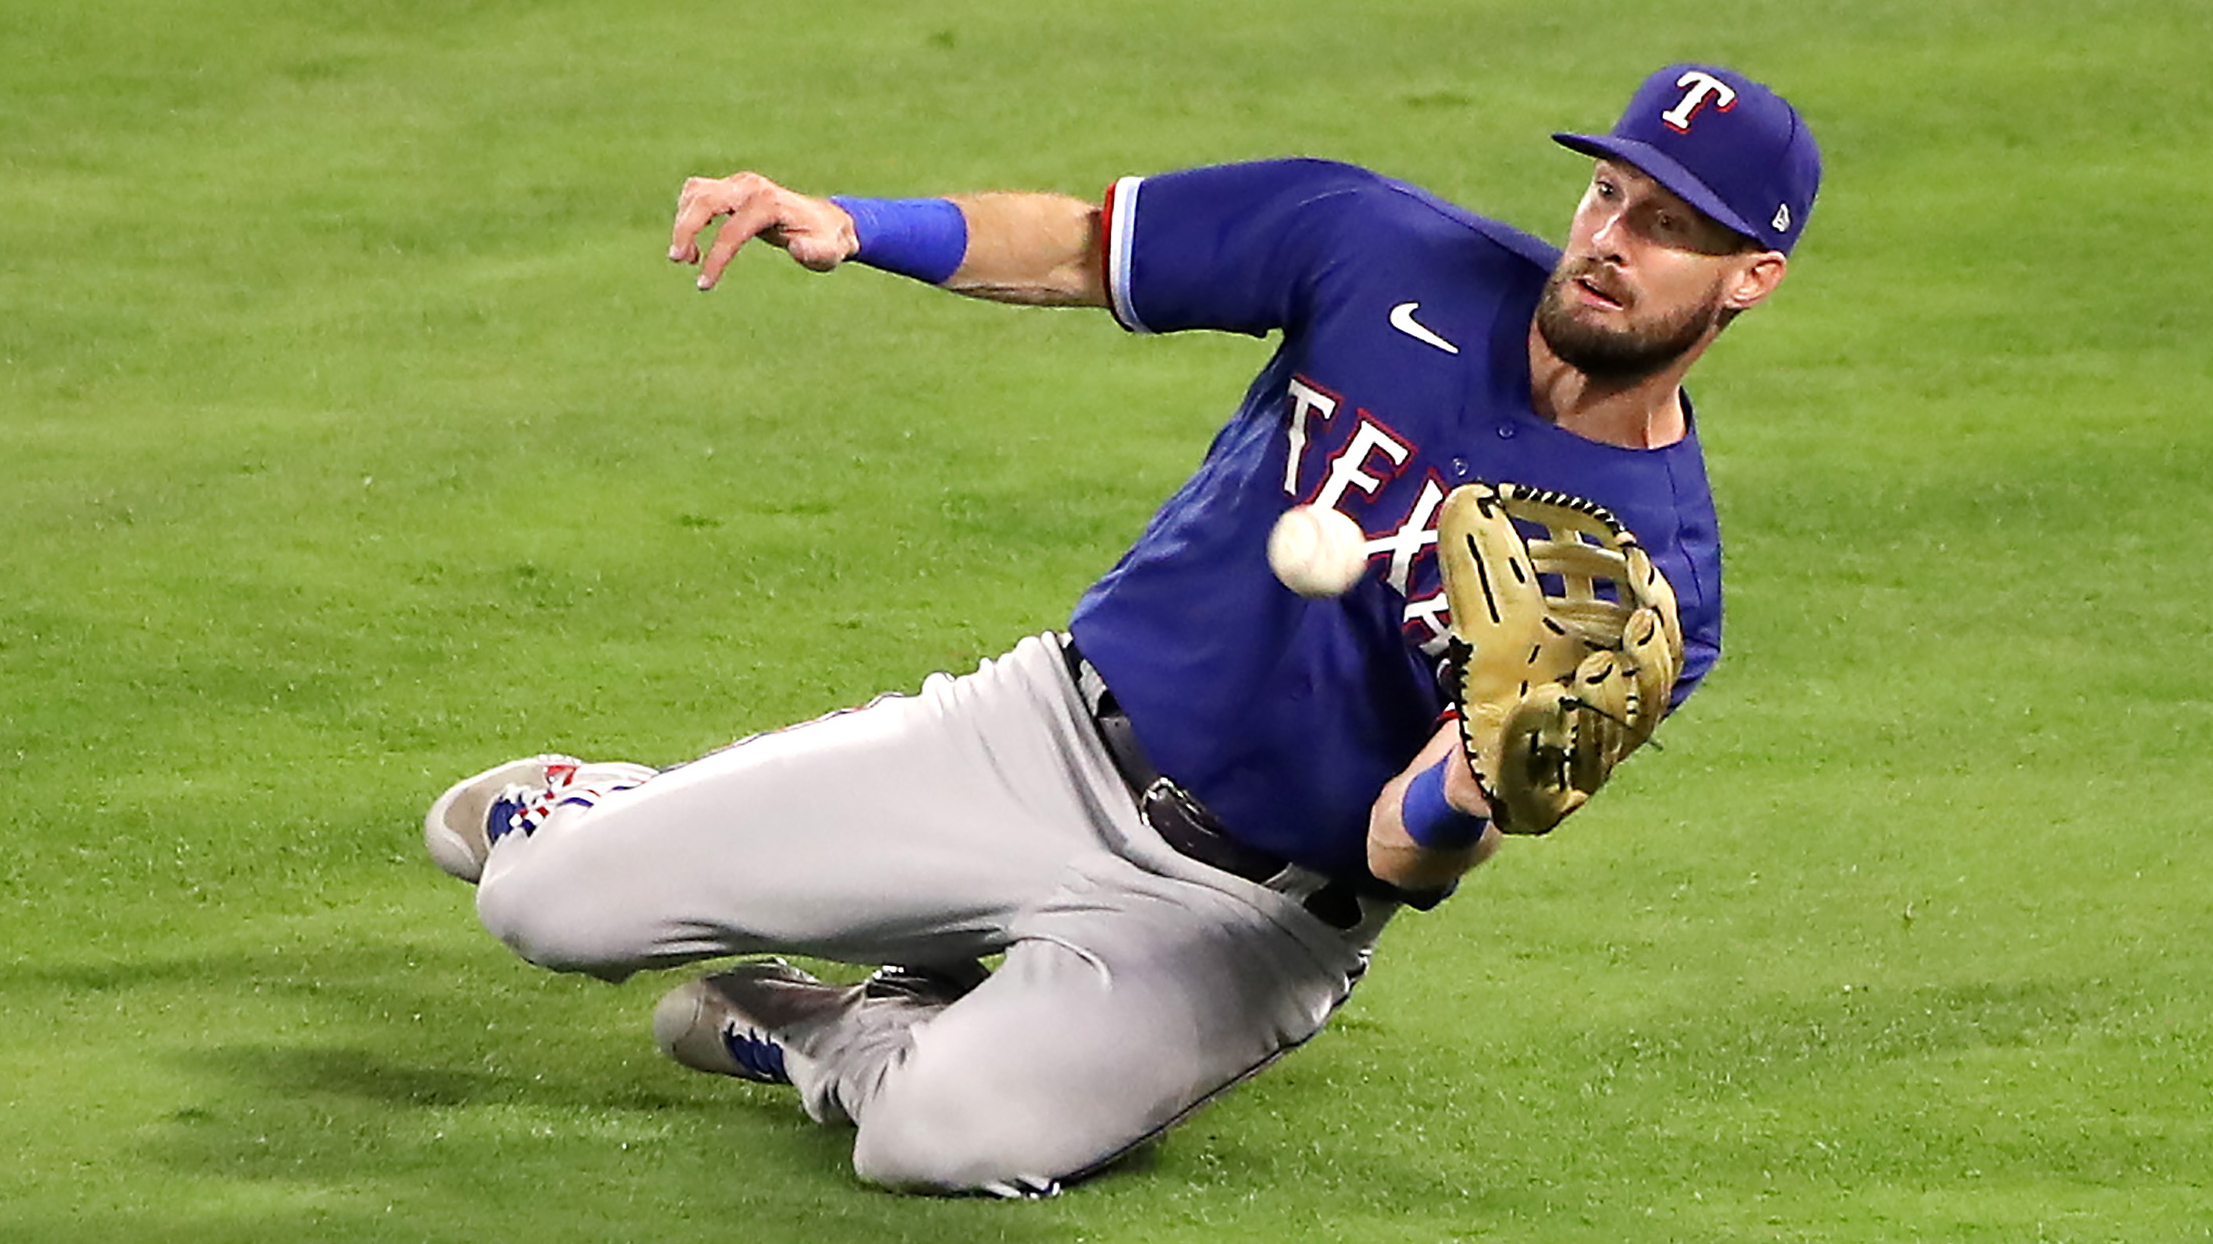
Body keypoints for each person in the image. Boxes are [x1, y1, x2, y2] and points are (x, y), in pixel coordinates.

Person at [422, 63, 1821, 1197]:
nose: (1607, 242)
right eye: (1604, 193)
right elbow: (1091, 245)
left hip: (1240, 916)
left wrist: (1479, 777)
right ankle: (618, 812)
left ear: (1747, 278)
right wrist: (854, 225)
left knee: (936, 1141)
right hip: (1041, 740)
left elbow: (1401, 851)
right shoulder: (1378, 246)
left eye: (1667, 228)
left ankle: (847, 1026)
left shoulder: (1651, 588)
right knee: (536, 905)